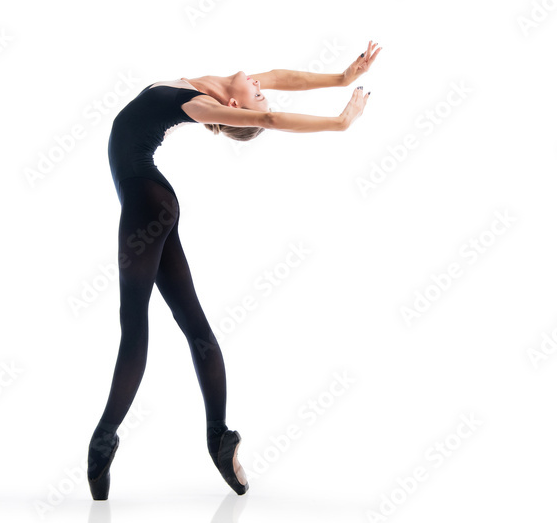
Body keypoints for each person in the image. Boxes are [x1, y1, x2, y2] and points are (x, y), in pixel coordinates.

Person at [87, 41, 382, 500]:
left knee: (135, 327)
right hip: (152, 201)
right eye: (262, 91)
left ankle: (103, 438)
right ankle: (219, 438)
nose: (264, 90)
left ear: (231, 108)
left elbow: (267, 117)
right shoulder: (208, 88)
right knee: (194, 326)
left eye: (258, 95)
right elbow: (285, 77)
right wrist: (340, 79)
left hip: (146, 200)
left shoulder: (202, 104)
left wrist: (340, 123)